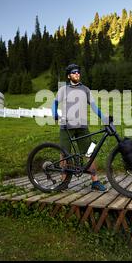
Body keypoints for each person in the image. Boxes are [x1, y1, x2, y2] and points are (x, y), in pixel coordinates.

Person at [52, 63, 107, 192]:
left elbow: (94, 106)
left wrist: (103, 117)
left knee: (90, 152)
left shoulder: (86, 89)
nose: (77, 74)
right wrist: (54, 113)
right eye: (74, 72)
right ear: (68, 76)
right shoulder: (63, 90)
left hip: (82, 126)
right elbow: (54, 103)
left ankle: (95, 181)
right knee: (64, 154)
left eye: (78, 72)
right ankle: (63, 182)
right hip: (66, 126)